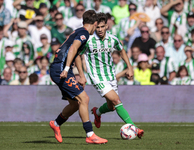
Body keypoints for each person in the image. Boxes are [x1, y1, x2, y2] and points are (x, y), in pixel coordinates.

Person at [81, 13, 144, 139]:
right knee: (117, 101)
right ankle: (134, 128)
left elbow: (122, 51)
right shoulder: (89, 41)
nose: (99, 30)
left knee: (112, 107)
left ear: (106, 26)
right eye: (97, 27)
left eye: (102, 27)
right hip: (96, 77)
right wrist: (82, 74)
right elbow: (78, 54)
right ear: (95, 27)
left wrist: (130, 67)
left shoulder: (113, 39)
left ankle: (97, 112)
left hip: (110, 76)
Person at [49, 10, 107, 144]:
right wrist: (67, 69)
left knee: (75, 104)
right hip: (60, 69)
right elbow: (73, 49)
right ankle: (90, 134)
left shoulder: (79, 31)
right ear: (95, 23)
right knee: (84, 99)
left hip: (60, 69)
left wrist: (81, 75)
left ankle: (56, 124)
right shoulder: (84, 33)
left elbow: (77, 54)